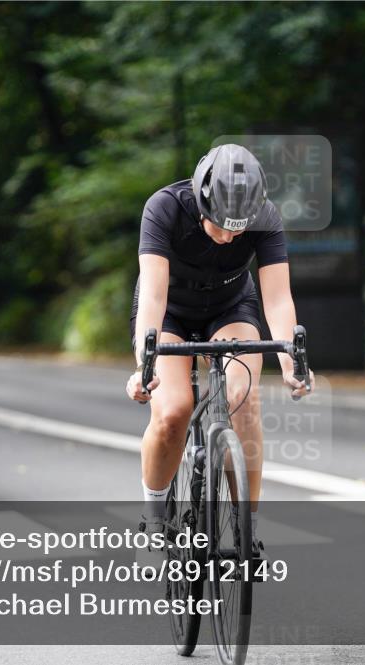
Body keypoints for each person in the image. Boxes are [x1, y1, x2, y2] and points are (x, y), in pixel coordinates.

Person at [125, 144, 313, 550]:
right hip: (170, 313)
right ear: (201, 200)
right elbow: (154, 297)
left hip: (229, 307)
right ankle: (155, 519)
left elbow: (278, 300)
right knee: (173, 411)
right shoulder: (164, 208)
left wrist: (289, 362)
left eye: (238, 228)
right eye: (219, 225)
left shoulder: (265, 216)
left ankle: (248, 531)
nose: (229, 237)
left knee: (243, 398)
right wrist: (146, 363)